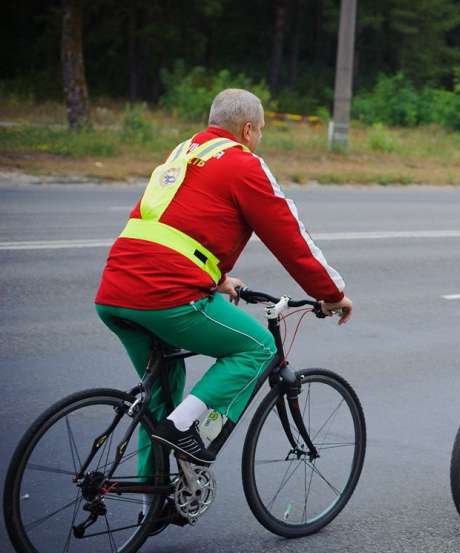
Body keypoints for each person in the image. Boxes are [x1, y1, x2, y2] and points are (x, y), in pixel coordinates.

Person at [95, 88, 352, 469]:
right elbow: (289, 236)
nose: (260, 139)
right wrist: (331, 293)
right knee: (258, 347)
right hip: (167, 294)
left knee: (159, 398)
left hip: (115, 289)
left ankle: (151, 500)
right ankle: (183, 427)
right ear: (248, 130)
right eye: (261, 131)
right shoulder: (243, 163)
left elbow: (170, 223)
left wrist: (216, 278)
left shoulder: (184, 152)